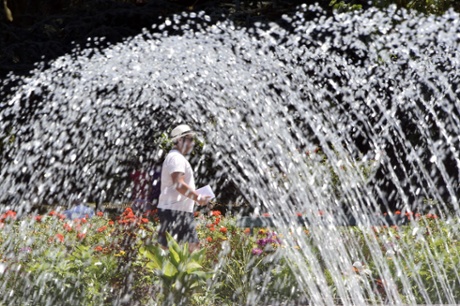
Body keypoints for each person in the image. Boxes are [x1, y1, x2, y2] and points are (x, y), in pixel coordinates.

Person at [157, 124, 211, 252]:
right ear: (180, 140)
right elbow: (179, 184)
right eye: (190, 139)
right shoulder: (176, 158)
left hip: (174, 210)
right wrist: (198, 197)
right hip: (176, 212)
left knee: (168, 251)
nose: (193, 143)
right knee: (193, 250)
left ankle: (161, 272)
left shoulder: (175, 157)